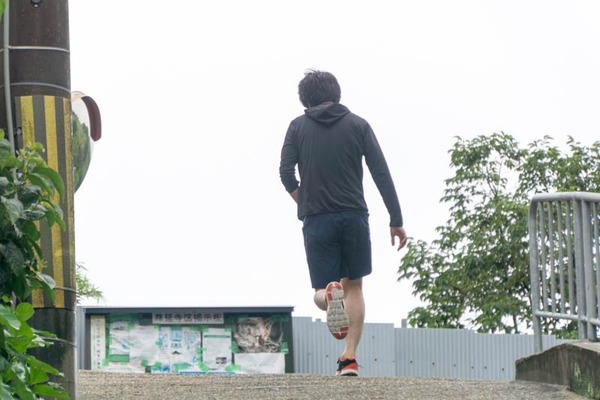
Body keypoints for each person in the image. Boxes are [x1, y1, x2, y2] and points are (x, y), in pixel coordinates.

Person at [279, 69, 407, 376]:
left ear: (305, 101)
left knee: (321, 288)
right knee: (355, 287)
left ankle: (327, 298)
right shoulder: (358, 125)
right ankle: (348, 357)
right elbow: (380, 172)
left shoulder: (297, 127)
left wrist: (304, 202)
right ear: (336, 94)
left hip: (317, 218)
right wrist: (396, 219)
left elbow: (285, 173)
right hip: (353, 215)